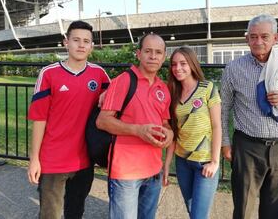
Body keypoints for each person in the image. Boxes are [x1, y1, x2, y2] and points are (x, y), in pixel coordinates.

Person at [27, 20, 110, 219]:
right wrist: (34, 159)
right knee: (50, 214)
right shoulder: (48, 73)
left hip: (84, 160)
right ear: (66, 42)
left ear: (92, 46)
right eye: (76, 40)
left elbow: (118, 98)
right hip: (52, 160)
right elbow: (39, 118)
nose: (81, 45)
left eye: (86, 41)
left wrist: (107, 95)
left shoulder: (99, 74)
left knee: (75, 212)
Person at [220, 14, 278, 219]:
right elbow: (223, 108)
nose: (258, 42)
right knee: (244, 206)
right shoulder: (234, 69)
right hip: (247, 147)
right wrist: (225, 143)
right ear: (247, 39)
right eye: (253, 37)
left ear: (276, 38)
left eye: (264, 36)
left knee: (275, 206)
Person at [96, 33, 174, 219]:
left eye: (158, 52)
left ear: (164, 57)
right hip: (126, 172)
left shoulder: (163, 88)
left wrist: (169, 134)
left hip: (154, 170)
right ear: (138, 54)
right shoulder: (123, 81)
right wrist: (137, 130)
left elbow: (165, 123)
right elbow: (102, 120)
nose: (153, 56)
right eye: (148, 51)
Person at [163, 46, 222, 219]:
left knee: (198, 215)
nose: (178, 68)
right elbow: (173, 131)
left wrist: (215, 162)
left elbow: (217, 125)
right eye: (174, 64)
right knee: (191, 209)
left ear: (192, 64)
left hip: (204, 163)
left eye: (183, 63)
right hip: (183, 162)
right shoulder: (172, 92)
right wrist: (167, 164)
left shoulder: (207, 88)